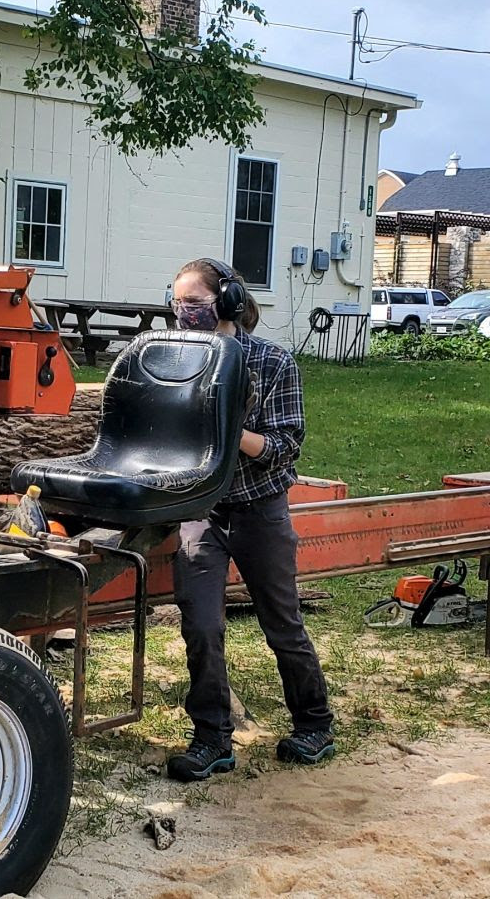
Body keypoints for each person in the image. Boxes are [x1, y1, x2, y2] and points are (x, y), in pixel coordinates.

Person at [164, 258, 334, 783]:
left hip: (260, 507)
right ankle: (211, 737)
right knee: (201, 625)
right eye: (177, 303)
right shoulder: (175, 357)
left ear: (228, 303)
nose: (183, 313)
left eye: (193, 303)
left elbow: (285, 446)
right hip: (203, 510)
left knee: (281, 623)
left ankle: (314, 724)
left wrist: (229, 429)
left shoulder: (273, 362)